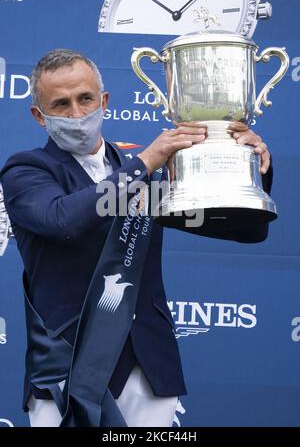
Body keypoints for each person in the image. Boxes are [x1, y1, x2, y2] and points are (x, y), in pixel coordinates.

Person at [0, 49, 271, 428]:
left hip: (147, 366)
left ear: (104, 101)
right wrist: (143, 164)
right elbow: (63, 219)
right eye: (60, 104)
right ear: (38, 115)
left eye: (86, 99)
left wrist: (252, 171)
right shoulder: (26, 170)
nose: (77, 114)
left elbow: (247, 231)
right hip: (69, 366)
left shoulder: (137, 175)